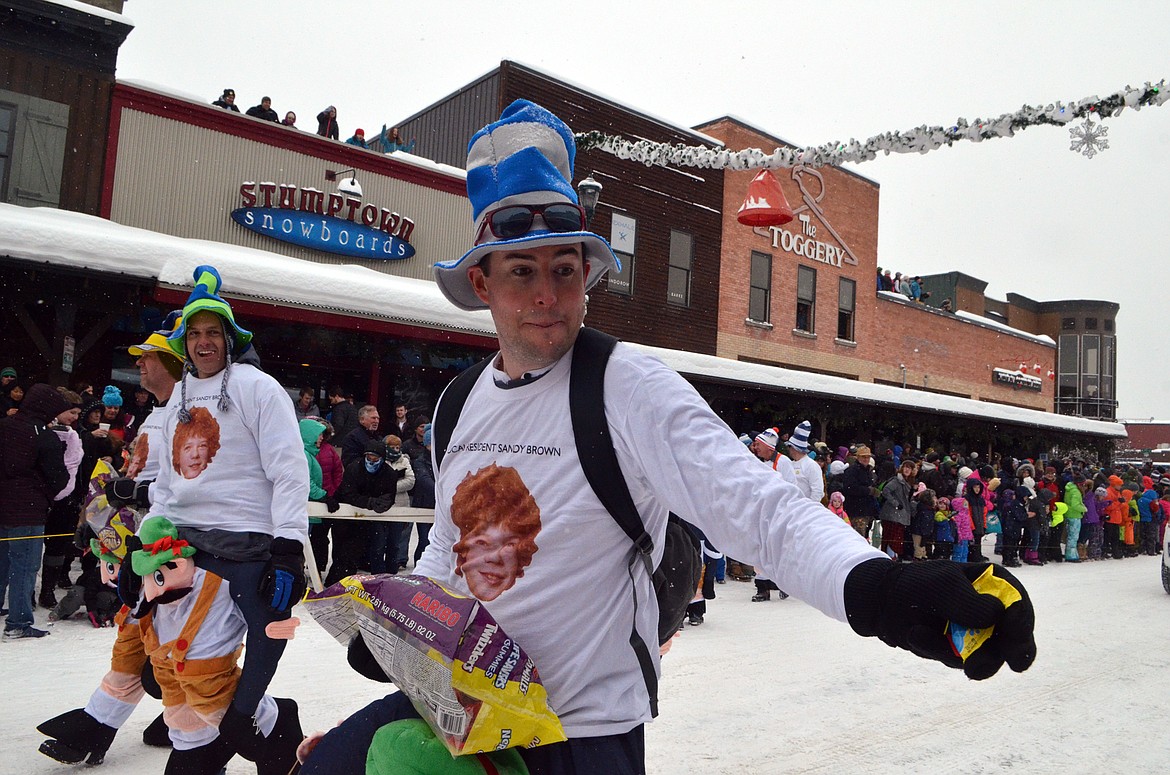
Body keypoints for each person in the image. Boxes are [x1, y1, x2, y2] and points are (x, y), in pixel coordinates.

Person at [301, 99, 1037, 775]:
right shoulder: (458, 403)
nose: (549, 294)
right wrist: (392, 625)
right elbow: (446, 551)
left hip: (581, 735)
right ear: (484, 283)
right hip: (460, 714)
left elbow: (758, 509)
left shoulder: (625, 386)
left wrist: (882, 590)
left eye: (566, 268)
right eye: (522, 271)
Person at [144, 265, 309, 759]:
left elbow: (289, 469)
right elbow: (168, 479)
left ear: (229, 338)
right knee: (175, 658)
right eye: (193, 334)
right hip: (188, 544)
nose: (203, 342)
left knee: (269, 629)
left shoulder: (258, 388)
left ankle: (255, 718)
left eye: (212, 332)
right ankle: (252, 727)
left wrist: (288, 546)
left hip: (251, 541)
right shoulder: (178, 398)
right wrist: (151, 537)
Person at [0, 384, 70, 638]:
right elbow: (58, 478)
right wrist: (44, 493)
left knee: (2, 562)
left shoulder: (4, 426)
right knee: (25, 566)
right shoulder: (45, 437)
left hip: (3, 505)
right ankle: (18, 624)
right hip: (27, 510)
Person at [327, 440, 400, 587]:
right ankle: (335, 585)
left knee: (359, 553)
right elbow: (348, 493)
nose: (371, 461)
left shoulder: (389, 474)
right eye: (369, 457)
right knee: (341, 552)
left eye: (375, 458)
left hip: (368, 521)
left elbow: (389, 495)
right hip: (344, 518)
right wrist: (369, 502)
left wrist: (384, 502)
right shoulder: (354, 468)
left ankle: (355, 584)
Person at [840, 444, 878, 539]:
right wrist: (867, 490)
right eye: (863, 457)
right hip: (856, 511)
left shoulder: (868, 470)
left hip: (866, 510)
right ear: (858, 457)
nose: (866, 459)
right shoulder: (852, 471)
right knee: (857, 538)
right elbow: (849, 488)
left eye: (868, 457)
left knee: (863, 537)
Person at [786, 420, 824, 503]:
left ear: (794, 448)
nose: (788, 449)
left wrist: (809, 509)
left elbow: (817, 491)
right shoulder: (790, 464)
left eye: (789, 446)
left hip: (805, 510)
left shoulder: (811, 465)